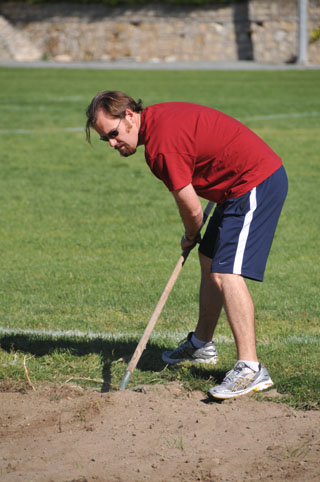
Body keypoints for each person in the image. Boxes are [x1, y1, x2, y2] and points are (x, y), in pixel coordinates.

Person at [85, 91, 288, 400]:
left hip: (255, 182)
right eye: (105, 140)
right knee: (210, 259)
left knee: (226, 273)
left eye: (112, 134)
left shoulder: (161, 147)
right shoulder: (157, 121)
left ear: (128, 115)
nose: (112, 144)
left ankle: (250, 368)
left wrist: (191, 234)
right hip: (233, 187)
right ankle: (202, 345)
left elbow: (192, 209)